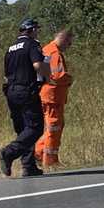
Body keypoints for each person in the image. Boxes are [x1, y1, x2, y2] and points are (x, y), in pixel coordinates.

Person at [0, 18, 50, 177]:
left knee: (23, 130)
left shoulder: (10, 48)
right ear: (31, 30)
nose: (37, 32)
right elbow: (37, 65)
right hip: (26, 91)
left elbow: (7, 72)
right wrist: (49, 75)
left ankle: (29, 166)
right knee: (35, 128)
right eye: (36, 29)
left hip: (11, 91)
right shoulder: (32, 44)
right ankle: (8, 153)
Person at [34, 28, 74, 169]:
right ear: (63, 38)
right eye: (69, 42)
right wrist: (70, 79)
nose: (69, 45)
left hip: (47, 95)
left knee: (53, 127)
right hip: (52, 96)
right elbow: (58, 76)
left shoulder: (46, 49)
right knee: (54, 127)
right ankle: (50, 161)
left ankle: (38, 153)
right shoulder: (55, 53)